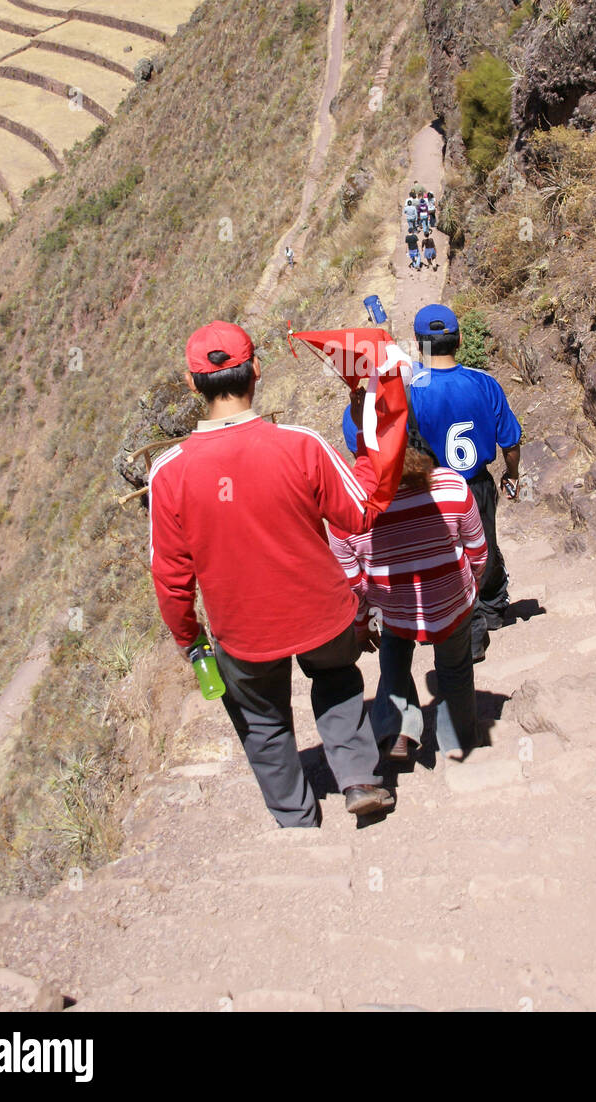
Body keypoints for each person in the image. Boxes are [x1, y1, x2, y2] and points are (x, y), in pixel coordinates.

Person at [149, 320, 394, 826]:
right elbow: (362, 510)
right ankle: (359, 778)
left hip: (242, 630)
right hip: (320, 611)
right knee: (337, 680)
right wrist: (373, 445)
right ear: (256, 370)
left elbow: (171, 577)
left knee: (262, 721)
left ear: (193, 384)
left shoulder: (170, 473)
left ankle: (294, 819)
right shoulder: (300, 446)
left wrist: (189, 639)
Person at [330, 439, 487, 762]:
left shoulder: (346, 512)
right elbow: (478, 550)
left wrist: (361, 625)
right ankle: (455, 740)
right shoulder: (451, 486)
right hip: (450, 598)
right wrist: (474, 585)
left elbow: (353, 584)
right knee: (454, 668)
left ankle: (398, 727)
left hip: (390, 607)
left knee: (393, 654)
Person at [408, 304, 522, 663]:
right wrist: (512, 474)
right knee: (483, 544)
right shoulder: (484, 383)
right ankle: (490, 610)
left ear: (417, 344)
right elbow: (511, 442)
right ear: (458, 339)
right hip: (477, 484)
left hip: (432, 488)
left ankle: (452, 623)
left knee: (441, 556)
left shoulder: (410, 390)